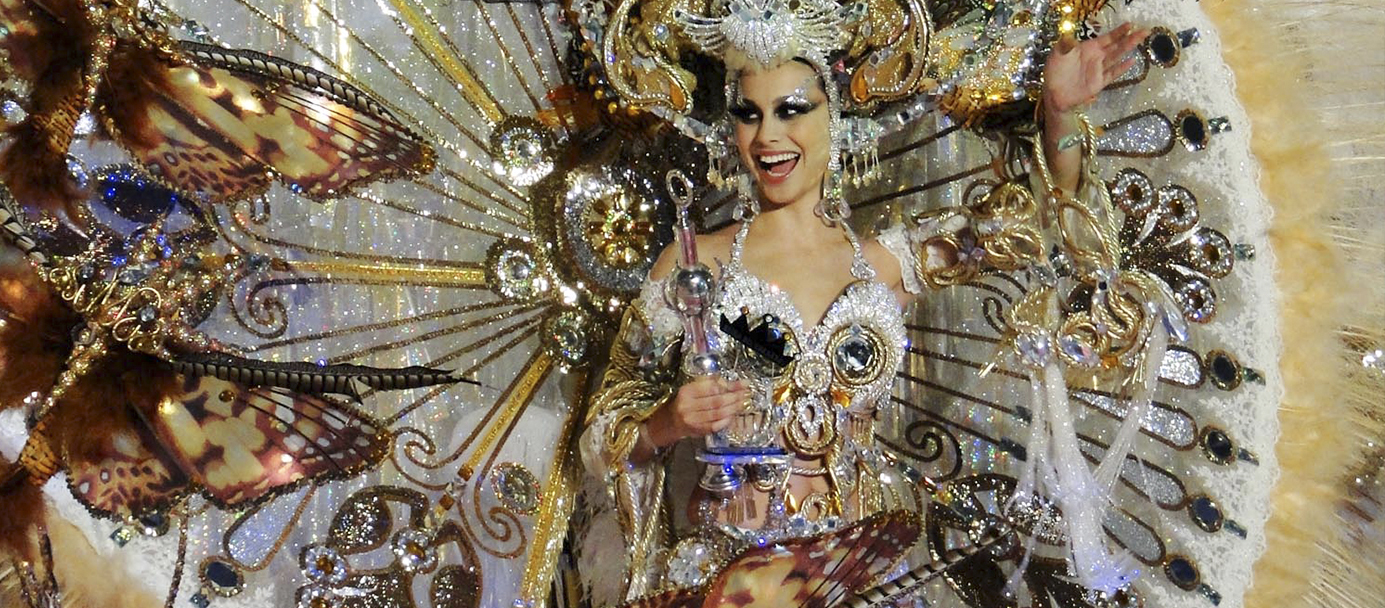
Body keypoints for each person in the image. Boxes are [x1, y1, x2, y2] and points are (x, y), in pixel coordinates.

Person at [578, 0, 1150, 602]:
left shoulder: (887, 266)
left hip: (854, 578)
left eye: (792, 110)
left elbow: (1038, 223)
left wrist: (1059, 116)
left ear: (835, 116)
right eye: (749, 114)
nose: (768, 136)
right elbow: (602, 433)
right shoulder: (695, 266)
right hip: (730, 581)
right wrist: (667, 422)